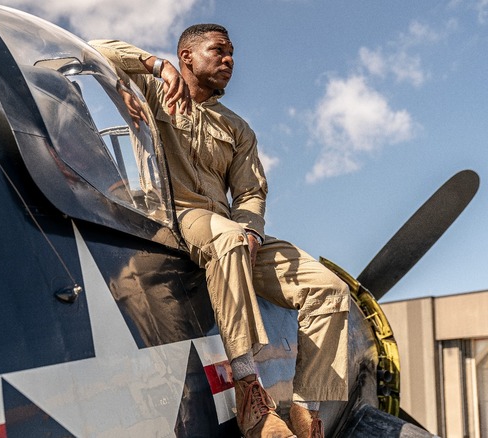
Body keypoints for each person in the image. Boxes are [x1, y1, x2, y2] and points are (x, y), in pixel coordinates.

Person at [90, 24, 350, 438]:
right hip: (175, 218)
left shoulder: (237, 128)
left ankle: (306, 409)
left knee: (330, 288)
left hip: (228, 225)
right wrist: (156, 67)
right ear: (187, 56)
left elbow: (250, 192)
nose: (230, 60)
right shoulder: (149, 92)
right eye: (219, 51)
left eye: (232, 54)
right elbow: (95, 49)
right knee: (226, 238)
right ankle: (250, 391)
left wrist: (251, 230)